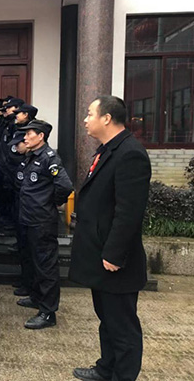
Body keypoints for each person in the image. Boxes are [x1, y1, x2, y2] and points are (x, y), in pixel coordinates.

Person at [69, 96, 151, 381]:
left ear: (106, 118)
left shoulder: (130, 154)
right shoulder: (107, 150)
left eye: (90, 114)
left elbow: (129, 212)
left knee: (122, 326)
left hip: (115, 260)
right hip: (99, 253)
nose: (85, 120)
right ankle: (106, 369)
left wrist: (114, 254)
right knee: (107, 319)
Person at [15, 120, 73, 330]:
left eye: (29, 133)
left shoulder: (50, 158)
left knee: (46, 265)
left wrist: (52, 202)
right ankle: (37, 297)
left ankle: (48, 312)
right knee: (34, 261)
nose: (25, 137)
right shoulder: (31, 156)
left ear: (41, 136)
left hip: (41, 220)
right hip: (28, 218)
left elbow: (65, 186)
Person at [7, 131, 34, 297]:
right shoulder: (24, 159)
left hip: (33, 212)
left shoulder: (42, 159)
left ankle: (32, 286)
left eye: (19, 144)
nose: (16, 147)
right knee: (24, 248)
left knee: (32, 251)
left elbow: (61, 188)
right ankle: (26, 281)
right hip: (21, 208)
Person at [0, 97, 25, 233]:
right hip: (5, 167)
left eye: (10, 108)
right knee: (7, 197)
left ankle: (13, 225)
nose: (6, 110)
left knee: (14, 200)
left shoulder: (19, 127)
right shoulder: (8, 124)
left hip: (14, 169)